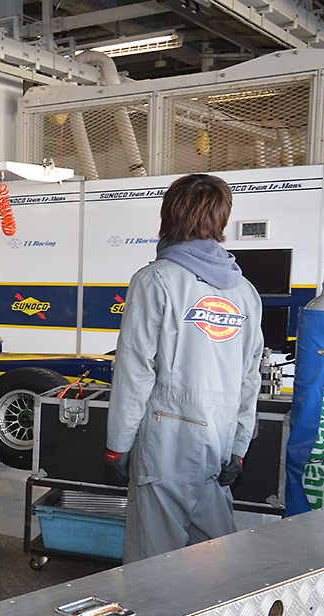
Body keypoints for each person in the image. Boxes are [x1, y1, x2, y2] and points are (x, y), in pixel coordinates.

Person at [105, 173, 263, 564]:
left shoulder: (155, 280)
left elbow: (135, 371)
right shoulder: (246, 292)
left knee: (152, 564)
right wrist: (239, 448)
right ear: (222, 218)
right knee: (216, 562)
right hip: (219, 443)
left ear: (169, 214)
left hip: (166, 442)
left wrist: (118, 444)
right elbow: (250, 377)